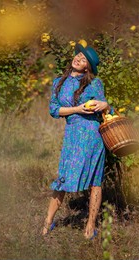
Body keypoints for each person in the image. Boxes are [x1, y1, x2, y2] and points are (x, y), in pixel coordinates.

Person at [42, 43, 113, 239]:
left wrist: (105, 104)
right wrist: (77, 109)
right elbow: (54, 110)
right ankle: (47, 223)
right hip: (72, 135)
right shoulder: (59, 82)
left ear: (87, 67)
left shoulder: (94, 83)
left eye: (83, 60)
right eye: (77, 56)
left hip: (91, 136)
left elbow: (108, 109)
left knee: (95, 181)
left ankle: (90, 227)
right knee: (63, 178)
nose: (78, 59)